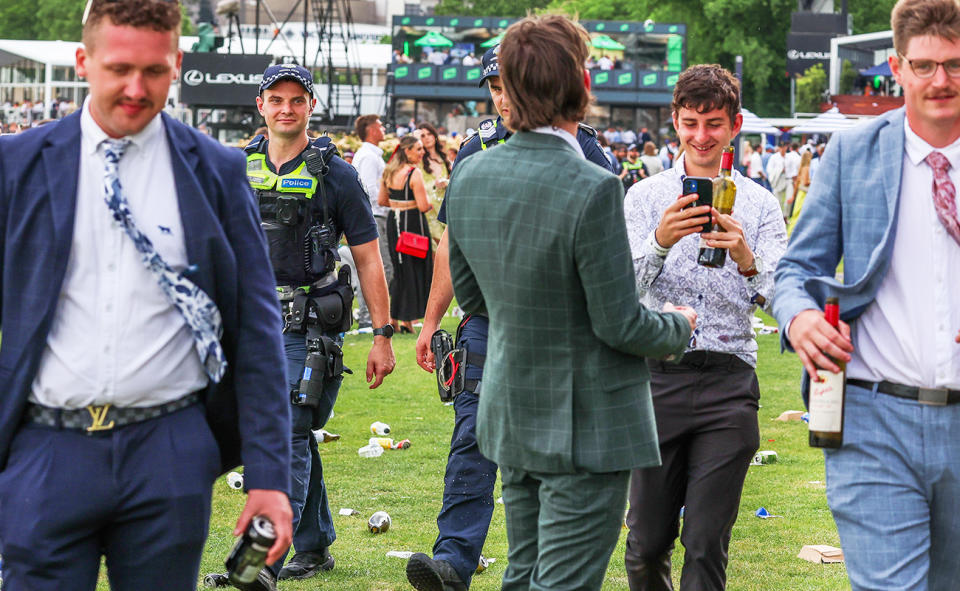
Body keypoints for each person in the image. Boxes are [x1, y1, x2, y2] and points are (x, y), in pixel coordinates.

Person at [0, 0, 294, 588]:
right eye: (118, 69)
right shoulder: (17, 164)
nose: (136, 88)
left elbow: (258, 330)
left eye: (155, 72)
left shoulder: (216, 170)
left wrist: (269, 476)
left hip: (169, 449)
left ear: (177, 64)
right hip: (45, 448)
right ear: (84, 61)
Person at [444, 15, 696, 591]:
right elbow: (620, 323)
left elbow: (471, 295)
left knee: (524, 574)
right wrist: (678, 326)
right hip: (586, 425)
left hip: (513, 408)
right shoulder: (592, 186)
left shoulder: (470, 174)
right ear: (579, 87)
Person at [406, 39, 617, 591]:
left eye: (510, 86)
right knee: (473, 438)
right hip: (487, 319)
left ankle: (546, 570)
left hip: (559, 329)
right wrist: (430, 322)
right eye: (495, 88)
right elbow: (452, 245)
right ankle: (453, 560)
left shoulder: (586, 152)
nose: (503, 98)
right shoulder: (474, 149)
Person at [774, 1, 960, 589]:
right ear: (897, 67)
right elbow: (794, 270)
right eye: (925, 66)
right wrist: (800, 318)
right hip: (873, 421)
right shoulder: (853, 155)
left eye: (955, 65)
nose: (941, 81)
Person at [623, 64, 787, 591]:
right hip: (657, 375)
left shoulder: (760, 203)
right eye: (691, 122)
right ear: (675, 121)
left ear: (734, 126)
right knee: (646, 544)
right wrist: (660, 241)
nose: (701, 136)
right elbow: (620, 291)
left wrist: (745, 256)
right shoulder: (644, 197)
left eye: (713, 124)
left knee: (705, 543)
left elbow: (779, 299)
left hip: (729, 382)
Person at [238, 65, 395, 589]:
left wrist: (382, 334)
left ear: (311, 106)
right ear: (260, 104)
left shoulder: (337, 173)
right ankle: (314, 543)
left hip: (310, 325)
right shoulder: (237, 167)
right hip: (250, 324)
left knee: (287, 433)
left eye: (297, 99)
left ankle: (261, 562)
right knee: (292, 436)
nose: (287, 108)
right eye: (276, 98)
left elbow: (369, 259)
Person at [379, 134, 433, 334]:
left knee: (399, 271)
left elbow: (382, 200)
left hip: (395, 223)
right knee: (415, 270)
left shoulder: (388, 171)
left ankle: (394, 317)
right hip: (413, 224)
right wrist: (434, 201)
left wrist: (398, 204)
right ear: (407, 150)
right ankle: (408, 320)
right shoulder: (413, 173)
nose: (422, 152)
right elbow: (423, 205)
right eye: (418, 149)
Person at [351, 114, 391, 332]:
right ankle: (367, 319)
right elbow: (367, 190)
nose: (383, 128)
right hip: (374, 216)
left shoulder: (373, 154)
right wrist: (388, 202)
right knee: (381, 267)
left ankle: (371, 317)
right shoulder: (368, 156)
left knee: (383, 267)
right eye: (380, 125)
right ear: (371, 129)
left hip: (379, 214)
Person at [416, 121, 451, 246]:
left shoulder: (444, 158)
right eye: (422, 136)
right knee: (436, 250)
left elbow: (454, 180)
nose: (427, 138)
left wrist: (446, 182)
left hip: (445, 208)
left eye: (429, 134)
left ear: (434, 135)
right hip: (429, 212)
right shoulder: (418, 159)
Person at [786, 150, 812, 233]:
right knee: (800, 214)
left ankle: (790, 232)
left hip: (800, 194)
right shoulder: (807, 168)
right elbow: (805, 182)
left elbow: (797, 183)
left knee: (796, 214)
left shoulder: (801, 168)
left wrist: (793, 196)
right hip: (804, 194)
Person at [765, 142, 788, 215]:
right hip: (777, 180)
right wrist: (780, 170)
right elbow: (769, 169)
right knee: (777, 199)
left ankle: (785, 215)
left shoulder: (788, 157)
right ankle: (777, 214)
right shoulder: (774, 157)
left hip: (786, 180)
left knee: (786, 200)